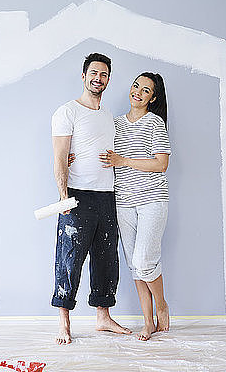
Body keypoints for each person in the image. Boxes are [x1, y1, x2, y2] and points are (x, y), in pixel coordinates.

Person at [50, 53, 131, 345]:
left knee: (106, 258)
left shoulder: (108, 116)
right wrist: (64, 199)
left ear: (108, 80)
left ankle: (103, 317)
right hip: (77, 197)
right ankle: (64, 322)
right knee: (69, 259)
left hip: (106, 195)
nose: (99, 78)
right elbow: (60, 159)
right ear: (84, 76)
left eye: (104, 74)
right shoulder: (67, 112)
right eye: (94, 73)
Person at [99, 72, 172, 341]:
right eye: (136, 86)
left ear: (152, 98)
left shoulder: (155, 124)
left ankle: (161, 305)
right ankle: (148, 322)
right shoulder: (116, 124)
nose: (138, 92)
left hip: (152, 199)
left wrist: (124, 161)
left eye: (145, 90)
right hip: (124, 202)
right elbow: (100, 149)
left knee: (144, 261)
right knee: (135, 266)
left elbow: (161, 164)